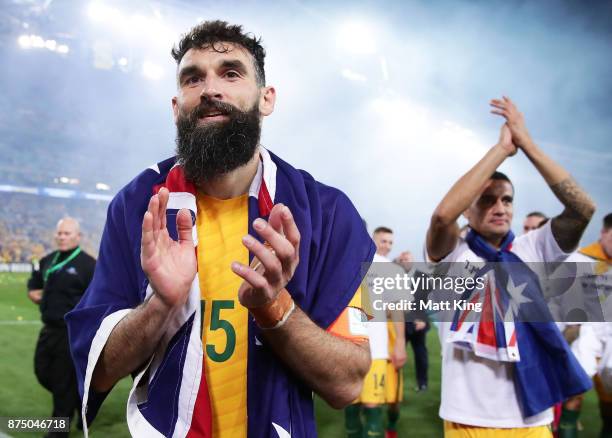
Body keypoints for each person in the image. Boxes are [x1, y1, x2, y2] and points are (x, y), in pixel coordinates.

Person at [66, 20, 375, 438]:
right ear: (177, 106)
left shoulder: (328, 212)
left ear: (266, 99)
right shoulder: (141, 204)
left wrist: (275, 310)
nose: (211, 89)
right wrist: (162, 305)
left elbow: (348, 383)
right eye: (193, 78)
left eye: (231, 73)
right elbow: (99, 372)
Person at [425, 96, 595, 437]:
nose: (500, 207)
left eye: (507, 199)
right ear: (468, 212)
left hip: (532, 419)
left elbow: (582, 210)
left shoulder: (533, 247)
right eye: (487, 200)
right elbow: (443, 215)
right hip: (468, 419)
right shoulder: (452, 253)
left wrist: (527, 144)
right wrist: (501, 149)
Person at [27, 217, 95, 437]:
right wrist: (35, 293)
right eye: (60, 233)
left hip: (72, 332)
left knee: (62, 380)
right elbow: (34, 284)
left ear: (78, 236)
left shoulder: (89, 265)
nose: (62, 237)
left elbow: (96, 299)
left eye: (67, 233)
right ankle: (79, 400)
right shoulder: (48, 260)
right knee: (42, 372)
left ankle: (58, 430)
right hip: (48, 329)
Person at [345, 227, 406, 438]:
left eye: (390, 242)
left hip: (376, 350)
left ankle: (387, 428)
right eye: (383, 241)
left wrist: (399, 344)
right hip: (346, 349)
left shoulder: (388, 268)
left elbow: (397, 307)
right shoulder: (344, 263)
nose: (386, 245)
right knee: (351, 412)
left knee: (373, 408)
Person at [394, 250, 430, 392]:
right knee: (395, 353)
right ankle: (394, 385)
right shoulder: (394, 276)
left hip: (417, 325)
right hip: (398, 324)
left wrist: (423, 320)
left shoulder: (424, 278)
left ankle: (422, 384)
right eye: (402, 260)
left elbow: (430, 302)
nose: (404, 262)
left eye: (407, 259)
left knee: (421, 356)